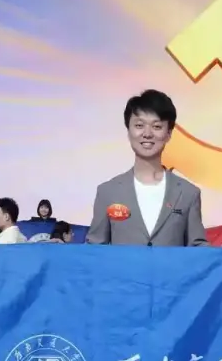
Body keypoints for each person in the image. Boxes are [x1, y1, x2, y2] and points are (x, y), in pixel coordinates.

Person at [87, 89, 207, 247]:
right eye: (139, 125)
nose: (147, 134)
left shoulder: (188, 193)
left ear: (169, 133)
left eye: (157, 126)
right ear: (128, 131)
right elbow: (94, 250)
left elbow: (198, 250)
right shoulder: (108, 192)